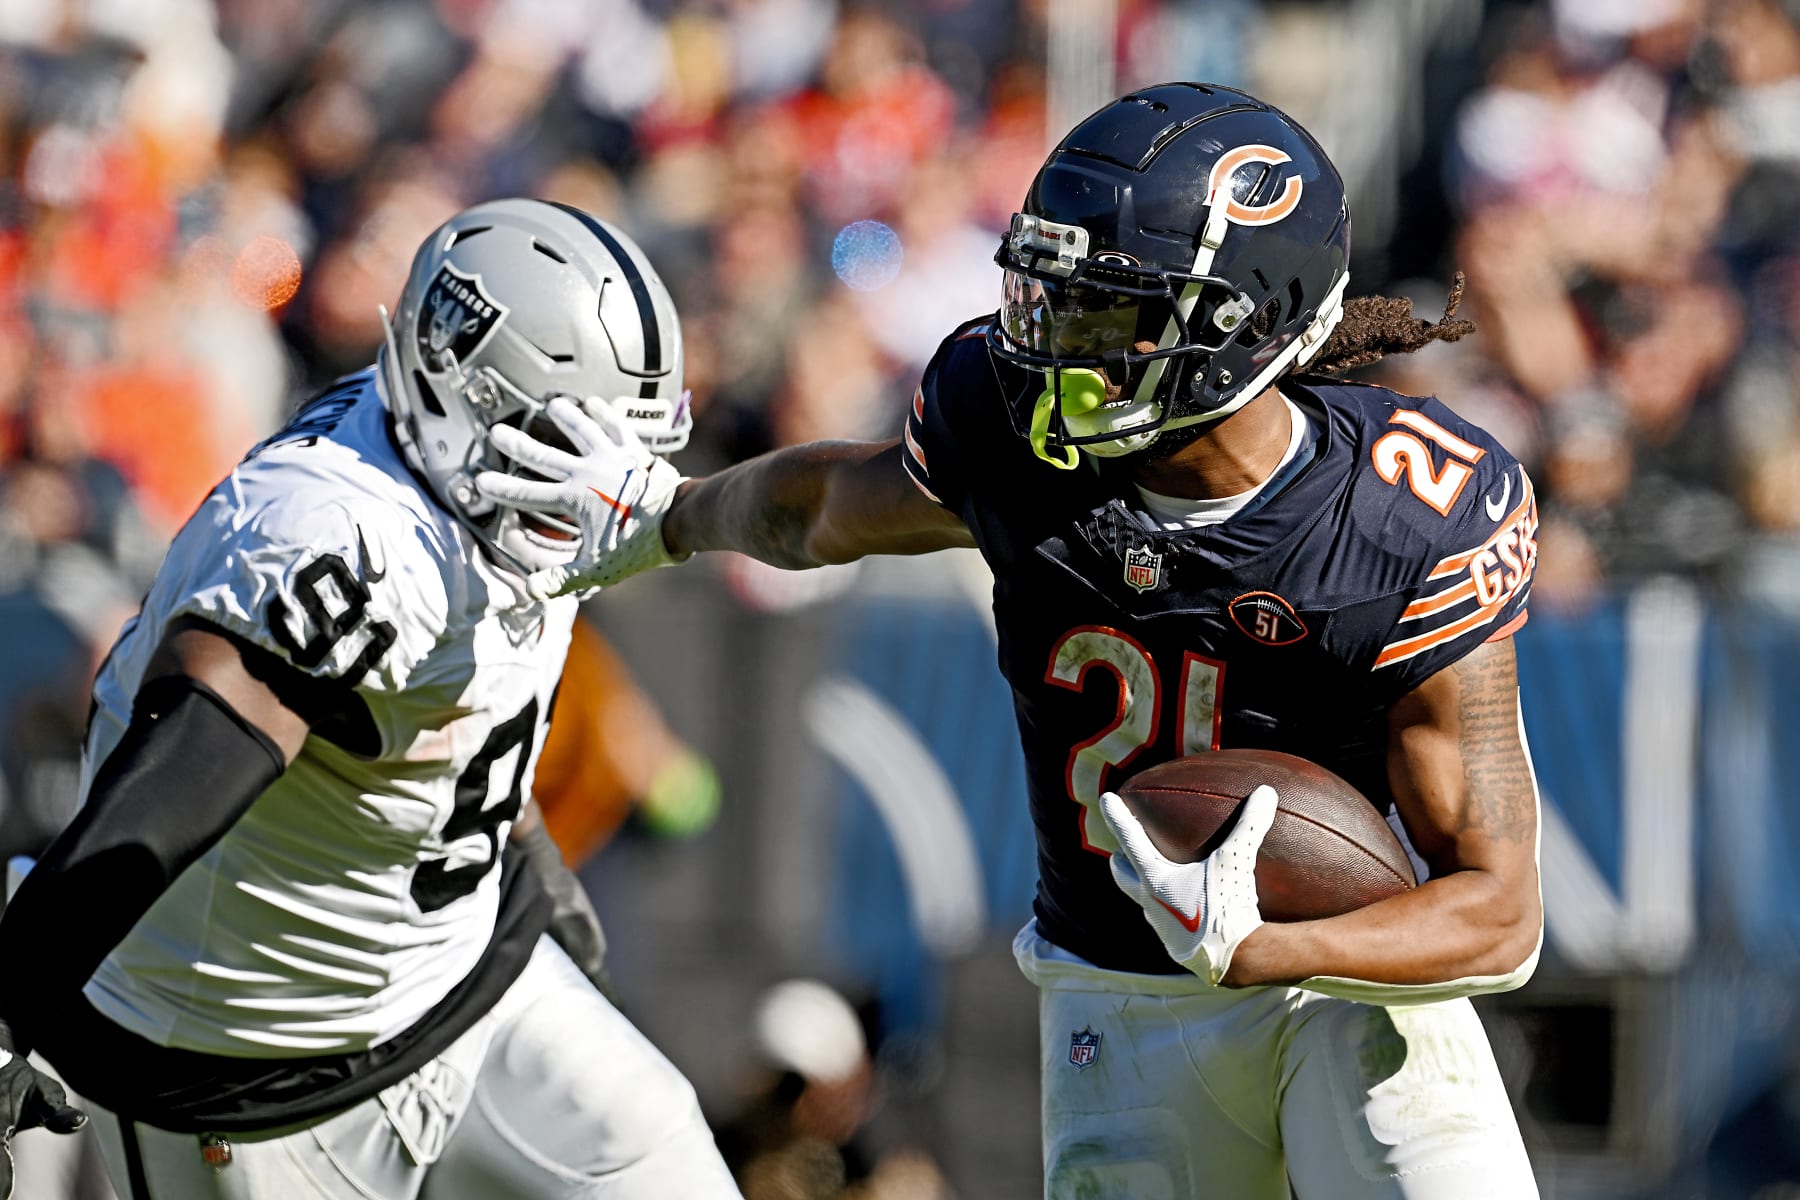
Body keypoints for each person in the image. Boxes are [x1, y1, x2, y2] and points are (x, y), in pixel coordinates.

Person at [483, 84, 1545, 1198]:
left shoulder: (1401, 516)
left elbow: (1501, 913)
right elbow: (828, 505)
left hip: (1345, 983)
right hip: (1116, 995)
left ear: (1247, 325)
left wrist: (1266, 945)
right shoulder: (1010, 436)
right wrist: (671, 513)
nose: (1053, 345)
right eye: (1054, 297)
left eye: (1111, 312)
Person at [0, 199, 742, 1199]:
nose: (592, 488)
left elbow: (438, 696)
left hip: (453, 968)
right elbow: (172, 785)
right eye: (559, 444)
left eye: (617, 452)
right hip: (254, 1049)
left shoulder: (477, 467)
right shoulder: (339, 531)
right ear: (463, 387)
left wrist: (519, 848)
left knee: (662, 1157)